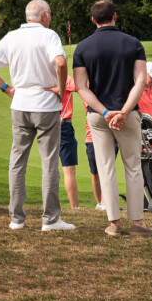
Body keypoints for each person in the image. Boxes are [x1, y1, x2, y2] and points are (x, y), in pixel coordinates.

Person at [0, 0, 74, 232]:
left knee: (17, 161)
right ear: (44, 16)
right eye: (50, 14)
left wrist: (7, 89)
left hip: (20, 105)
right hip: (46, 106)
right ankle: (50, 219)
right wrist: (61, 89)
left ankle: (16, 219)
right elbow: (61, 63)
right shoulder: (49, 35)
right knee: (49, 162)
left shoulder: (12, 36)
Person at [73, 0, 152, 238]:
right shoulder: (133, 43)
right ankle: (137, 222)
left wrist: (106, 112)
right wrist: (124, 112)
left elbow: (81, 87)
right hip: (127, 113)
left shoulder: (82, 47)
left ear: (93, 20)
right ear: (115, 16)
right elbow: (141, 81)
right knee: (133, 167)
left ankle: (114, 223)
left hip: (99, 116)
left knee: (105, 167)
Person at [58, 77, 81, 210]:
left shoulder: (42, 74)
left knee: (48, 165)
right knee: (69, 169)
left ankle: (49, 204)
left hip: (44, 122)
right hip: (63, 123)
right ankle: (74, 207)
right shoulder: (65, 77)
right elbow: (81, 86)